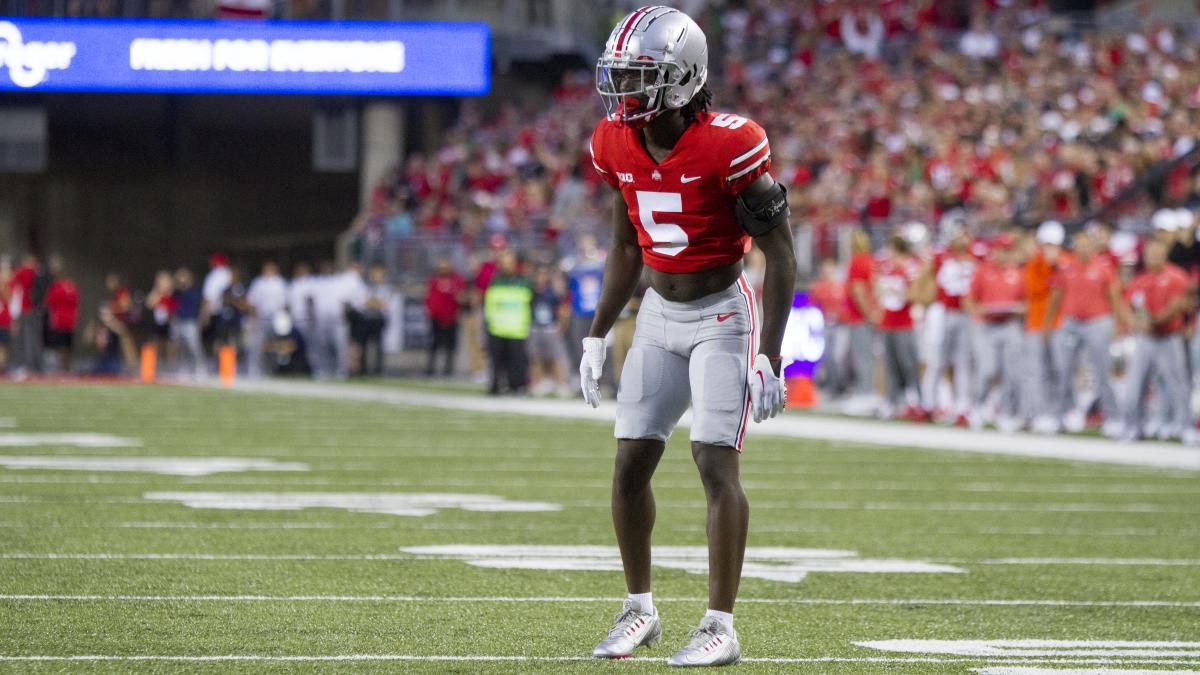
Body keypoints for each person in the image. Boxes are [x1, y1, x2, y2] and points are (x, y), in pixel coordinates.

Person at [584, 7, 795, 666]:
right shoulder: (614, 141)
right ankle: (639, 608)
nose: (624, 91)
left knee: (714, 461)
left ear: (683, 77)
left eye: (639, 76)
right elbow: (626, 245)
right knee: (629, 464)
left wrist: (771, 355)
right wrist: (597, 333)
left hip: (722, 315)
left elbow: (781, 252)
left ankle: (719, 624)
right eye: (620, 76)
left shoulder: (731, 144)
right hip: (656, 314)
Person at [1045, 231, 1123, 437]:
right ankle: (1058, 416)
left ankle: (1112, 418)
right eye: (1079, 245)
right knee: (1063, 370)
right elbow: (1056, 297)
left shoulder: (1103, 267)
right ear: (1074, 248)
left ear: (1092, 247)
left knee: (1102, 370)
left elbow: (1114, 296)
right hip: (1071, 322)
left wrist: (1117, 324)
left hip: (1098, 321)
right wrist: (1048, 324)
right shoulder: (1066, 268)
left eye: (1086, 244)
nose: (1083, 249)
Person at [1122, 238, 1196, 442]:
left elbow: (1176, 306)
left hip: (1169, 337)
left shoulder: (1176, 276)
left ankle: (1185, 427)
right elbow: (1130, 306)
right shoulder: (1140, 280)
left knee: (1177, 384)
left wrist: (1152, 322)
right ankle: (1133, 427)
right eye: (1150, 253)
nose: (1153, 257)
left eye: (1157, 253)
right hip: (1145, 338)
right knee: (1135, 383)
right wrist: (1138, 322)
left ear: (1165, 254)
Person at [964, 234, 1026, 433]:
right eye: (1003, 250)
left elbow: (1027, 303)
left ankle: (1006, 413)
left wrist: (1019, 308)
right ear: (995, 250)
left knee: (1011, 372)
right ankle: (978, 407)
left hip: (1009, 324)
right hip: (986, 326)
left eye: (1009, 250)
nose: (1006, 254)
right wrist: (979, 309)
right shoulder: (982, 271)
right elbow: (968, 300)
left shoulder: (1018, 273)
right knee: (986, 370)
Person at [919, 225, 976, 424]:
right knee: (937, 360)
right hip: (943, 312)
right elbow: (923, 278)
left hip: (966, 313)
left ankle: (962, 408)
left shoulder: (976, 256)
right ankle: (928, 404)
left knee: (963, 362)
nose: (962, 240)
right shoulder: (941, 256)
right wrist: (927, 300)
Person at [874, 235, 925, 420]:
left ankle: (917, 400)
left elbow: (915, 294)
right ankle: (892, 402)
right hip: (887, 322)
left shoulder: (910, 268)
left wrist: (895, 291)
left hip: (904, 323)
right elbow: (877, 290)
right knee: (890, 365)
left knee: (908, 363)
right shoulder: (886, 268)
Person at [1023, 221, 1066, 433]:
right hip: (1037, 323)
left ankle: (1059, 413)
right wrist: (1049, 267)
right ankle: (1037, 413)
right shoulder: (1034, 264)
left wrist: (1055, 267)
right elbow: (1036, 289)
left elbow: (1066, 288)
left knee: (1060, 370)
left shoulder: (1067, 262)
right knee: (1036, 371)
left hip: (1060, 323)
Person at [483, 250, 531, 395]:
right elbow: (489, 303)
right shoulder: (495, 281)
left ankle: (517, 386)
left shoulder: (524, 281)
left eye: (509, 262)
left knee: (517, 361)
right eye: (504, 263)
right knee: (496, 361)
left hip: (517, 329)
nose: (507, 266)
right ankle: (496, 386)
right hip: (497, 328)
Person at [841, 229, 878, 415]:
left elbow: (858, 290)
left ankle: (865, 394)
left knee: (862, 357)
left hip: (860, 317)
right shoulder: (871, 260)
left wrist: (868, 313)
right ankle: (867, 391)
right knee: (867, 356)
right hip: (868, 315)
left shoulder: (857, 261)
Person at [527, 264, 570, 396]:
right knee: (536, 357)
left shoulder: (552, 291)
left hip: (550, 327)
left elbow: (562, 308)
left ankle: (560, 383)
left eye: (544, 274)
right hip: (535, 327)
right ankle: (540, 382)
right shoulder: (531, 291)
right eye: (539, 274)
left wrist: (561, 326)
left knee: (555, 357)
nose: (541, 277)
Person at [245, 261, 288, 378]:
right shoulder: (259, 282)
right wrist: (254, 318)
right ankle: (254, 370)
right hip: (261, 317)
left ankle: (273, 370)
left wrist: (284, 320)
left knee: (276, 345)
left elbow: (285, 303)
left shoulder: (280, 282)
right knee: (257, 345)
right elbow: (252, 302)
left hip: (276, 318)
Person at [425, 258, 465, 377]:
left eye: (445, 267)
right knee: (434, 344)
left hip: (451, 317)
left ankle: (448, 370)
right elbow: (429, 297)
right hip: (436, 317)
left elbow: (461, 296)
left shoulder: (456, 280)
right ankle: (430, 369)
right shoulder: (434, 280)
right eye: (441, 267)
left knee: (450, 346)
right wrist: (430, 311)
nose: (443, 269)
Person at [43, 255, 80, 374]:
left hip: (60, 320)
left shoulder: (56, 287)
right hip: (69, 320)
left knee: (61, 347)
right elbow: (76, 303)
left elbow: (47, 303)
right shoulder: (70, 286)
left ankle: (63, 369)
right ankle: (66, 369)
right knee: (67, 346)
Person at [356, 263, 393, 376]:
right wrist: (375, 302)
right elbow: (362, 303)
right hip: (366, 319)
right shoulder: (365, 287)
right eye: (375, 274)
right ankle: (363, 371)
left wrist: (372, 302)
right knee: (363, 346)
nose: (376, 276)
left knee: (379, 346)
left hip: (378, 320)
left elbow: (384, 305)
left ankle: (378, 371)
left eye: (379, 274)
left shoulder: (386, 289)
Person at [10, 253, 43, 375]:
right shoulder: (37, 272)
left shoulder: (22, 272)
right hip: (35, 309)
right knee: (34, 338)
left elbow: (13, 289)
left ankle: (25, 365)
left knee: (24, 339)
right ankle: (36, 365)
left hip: (24, 309)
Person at [171, 267, 206, 379]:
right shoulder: (176, 292)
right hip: (178, 321)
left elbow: (201, 305)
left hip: (191, 321)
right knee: (181, 347)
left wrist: (202, 318)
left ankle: (200, 369)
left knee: (194, 347)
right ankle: (183, 369)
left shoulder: (195, 291)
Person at [144, 270, 177, 369]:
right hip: (157, 324)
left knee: (170, 344)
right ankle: (157, 365)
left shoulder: (173, 293)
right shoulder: (156, 294)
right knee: (156, 343)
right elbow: (149, 303)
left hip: (169, 322)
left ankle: (171, 365)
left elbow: (174, 308)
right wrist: (156, 291)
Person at [0, 259, 11, 373]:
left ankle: (2, 368)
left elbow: (9, 299)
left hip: (3, 320)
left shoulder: (7, 285)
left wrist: (3, 287)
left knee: (2, 346)